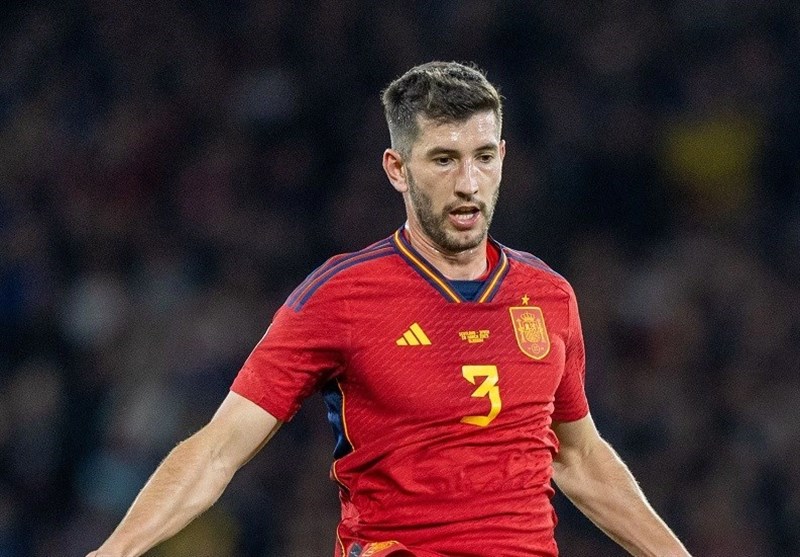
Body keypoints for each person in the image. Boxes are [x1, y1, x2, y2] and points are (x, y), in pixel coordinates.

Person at [88, 61, 691, 557]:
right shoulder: (340, 297)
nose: (468, 183)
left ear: (503, 158)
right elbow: (218, 450)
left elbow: (579, 457)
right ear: (397, 169)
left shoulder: (549, 296)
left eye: (483, 157)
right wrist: (115, 550)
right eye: (443, 159)